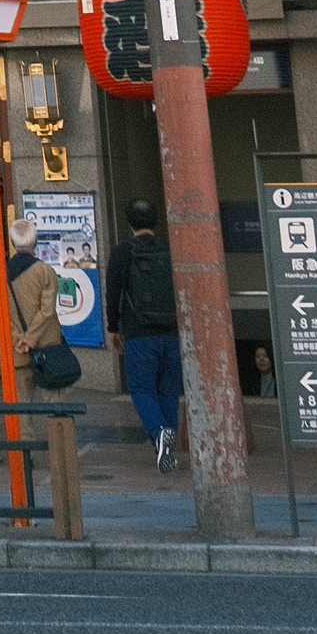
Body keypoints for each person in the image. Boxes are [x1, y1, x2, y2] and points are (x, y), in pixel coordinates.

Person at [105, 199, 182, 469]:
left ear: (129, 223)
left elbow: (113, 293)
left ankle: (160, 433)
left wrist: (113, 327)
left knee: (141, 389)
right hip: (172, 332)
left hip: (139, 334)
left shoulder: (122, 253)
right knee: (169, 392)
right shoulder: (169, 251)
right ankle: (166, 452)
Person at [8, 216, 61, 391]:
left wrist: (19, 339)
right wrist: (30, 339)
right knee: (57, 406)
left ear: (13, 242)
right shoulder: (45, 271)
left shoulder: (0, 274)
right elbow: (47, 311)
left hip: (17, 349)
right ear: (36, 242)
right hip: (48, 347)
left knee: (22, 408)